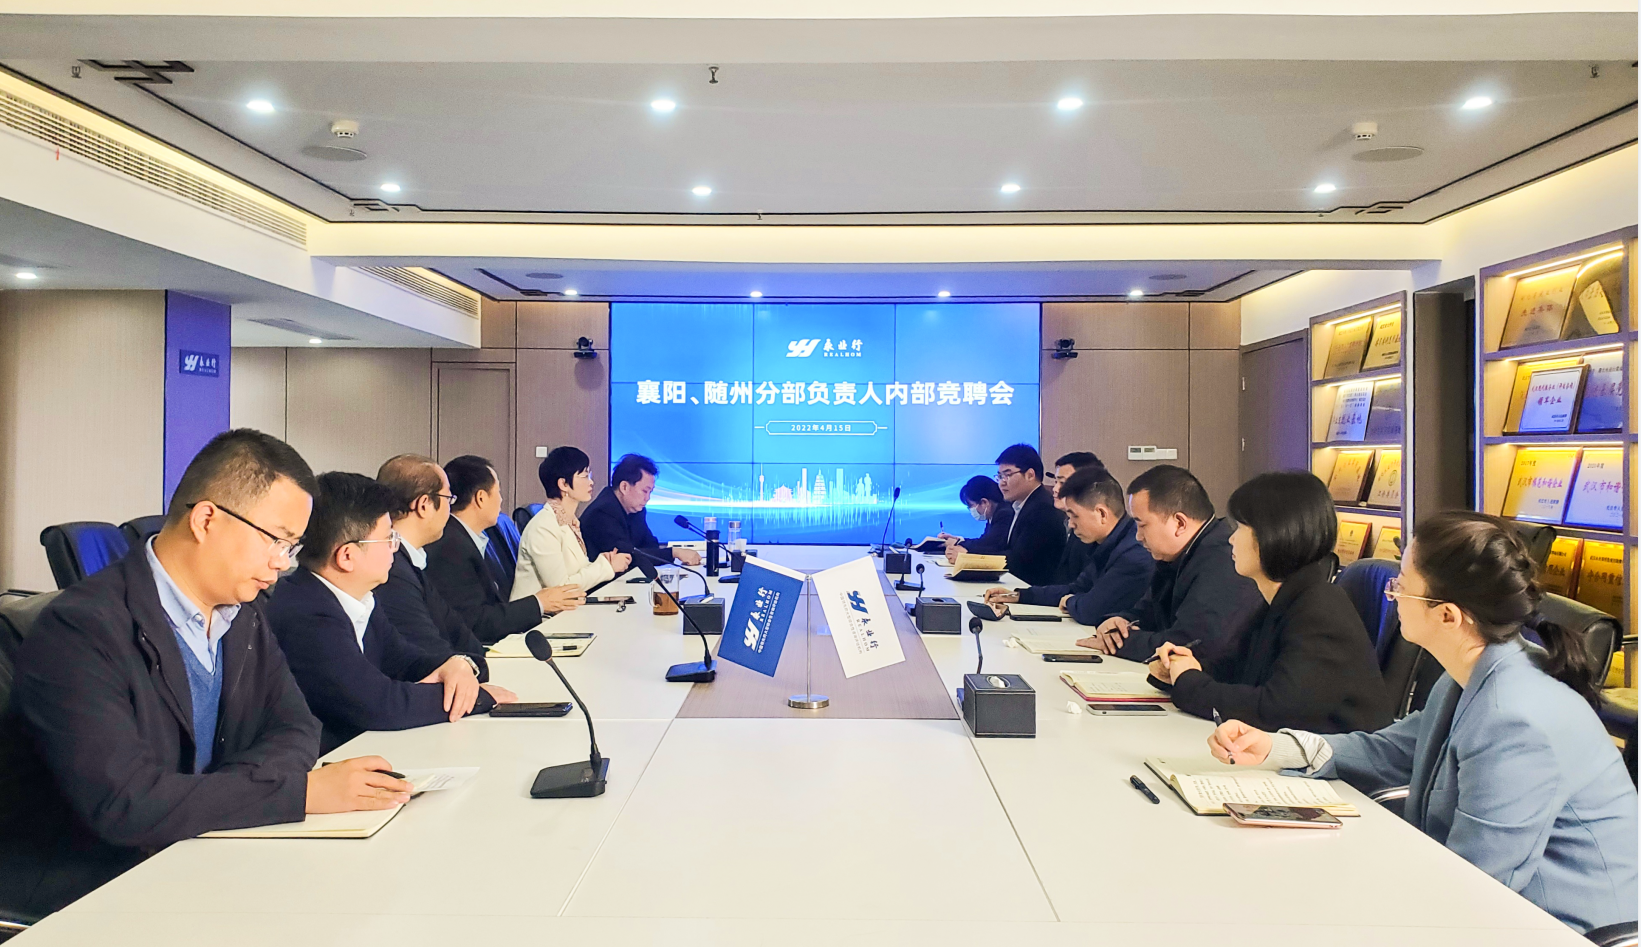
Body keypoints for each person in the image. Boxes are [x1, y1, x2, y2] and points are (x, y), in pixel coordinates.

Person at [0, 430, 414, 918]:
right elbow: (125, 804)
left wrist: (221, 798)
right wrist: (298, 793)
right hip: (89, 887)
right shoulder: (81, 629)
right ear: (206, 519)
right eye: (275, 539)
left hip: (199, 852)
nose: (281, 564)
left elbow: (296, 727)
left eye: (292, 546)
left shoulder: (243, 614)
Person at [1209, 512, 1637, 934]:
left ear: (1448, 615)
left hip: (1556, 926)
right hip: (1482, 901)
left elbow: (1479, 885)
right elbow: (1393, 750)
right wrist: (1275, 747)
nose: (1391, 596)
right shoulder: (1473, 675)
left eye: (1400, 587)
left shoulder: (1514, 720)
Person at [268, 472, 515, 753]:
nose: (394, 549)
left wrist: (458, 665)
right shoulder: (306, 613)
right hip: (324, 763)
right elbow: (379, 703)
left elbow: (405, 660)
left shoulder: (361, 599)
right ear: (347, 556)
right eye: (388, 539)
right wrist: (477, 697)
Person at [1147, 471, 1392, 733]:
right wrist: (1184, 668)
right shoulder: (1285, 598)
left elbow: (1276, 709)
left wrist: (1189, 683)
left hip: (1335, 757)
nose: (1231, 539)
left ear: (1272, 534)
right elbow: (1239, 670)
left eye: (1241, 528)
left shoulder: (1319, 609)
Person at [1079, 464, 1263, 667]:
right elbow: (1148, 612)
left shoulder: (1223, 560)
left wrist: (1122, 643)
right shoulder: (1176, 555)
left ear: (1179, 524)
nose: (1138, 536)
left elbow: (1189, 645)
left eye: (1142, 525)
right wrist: (1121, 622)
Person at [426, 455, 583, 645]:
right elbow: (477, 623)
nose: (501, 500)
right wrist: (540, 602)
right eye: (498, 491)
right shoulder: (451, 548)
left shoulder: (467, 538)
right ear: (481, 498)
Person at [982, 466, 1152, 625]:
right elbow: (1078, 588)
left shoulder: (1133, 554)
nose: (1070, 524)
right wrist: (1019, 595)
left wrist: (1069, 601)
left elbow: (1091, 610)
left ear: (1101, 514)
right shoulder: (1104, 543)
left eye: (1074, 516)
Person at [373, 454, 490, 679]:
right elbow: (432, 656)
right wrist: (474, 667)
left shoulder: (411, 561)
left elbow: (458, 631)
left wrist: (478, 663)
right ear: (424, 505)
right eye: (448, 498)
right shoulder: (392, 570)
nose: (450, 509)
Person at [513, 446, 633, 597]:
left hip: (568, 607)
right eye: (585, 476)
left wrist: (603, 561)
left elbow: (576, 572)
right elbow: (561, 588)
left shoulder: (569, 522)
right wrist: (608, 567)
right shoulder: (543, 527)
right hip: (541, 612)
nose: (591, 482)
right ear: (563, 484)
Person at [581, 453, 702, 572]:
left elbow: (651, 545)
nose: (647, 498)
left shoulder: (635, 510)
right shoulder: (601, 513)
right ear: (624, 487)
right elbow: (627, 557)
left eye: (650, 492)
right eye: (645, 491)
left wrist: (667, 553)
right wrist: (673, 552)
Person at [1046, 451, 1105, 585]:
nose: (1055, 489)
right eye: (1055, 482)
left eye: (1062, 483)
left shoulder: (1090, 530)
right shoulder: (1067, 521)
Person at [938, 475, 1013, 555]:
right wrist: (958, 539)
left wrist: (958, 543)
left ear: (984, 502)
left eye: (970, 506)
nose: (970, 510)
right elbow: (983, 541)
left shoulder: (1004, 514)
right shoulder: (993, 514)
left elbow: (990, 546)